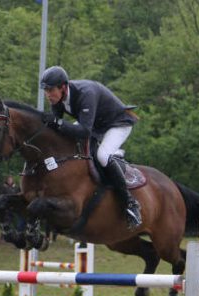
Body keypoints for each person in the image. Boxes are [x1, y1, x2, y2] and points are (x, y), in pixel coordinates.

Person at [39, 65, 141, 228]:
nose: (48, 95)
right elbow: (58, 132)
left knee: (102, 156)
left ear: (63, 87)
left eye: (50, 90)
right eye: (46, 91)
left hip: (117, 123)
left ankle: (130, 203)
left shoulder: (86, 93)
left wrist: (57, 122)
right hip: (96, 125)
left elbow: (84, 131)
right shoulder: (58, 98)